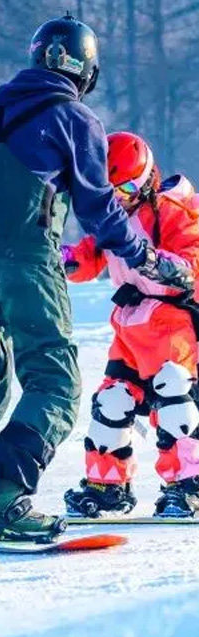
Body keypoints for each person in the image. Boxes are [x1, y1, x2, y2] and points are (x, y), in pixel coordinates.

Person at [0, 13, 182, 542]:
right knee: (55, 383)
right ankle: (3, 498)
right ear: (86, 69)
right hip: (24, 257)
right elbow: (99, 209)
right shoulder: (76, 118)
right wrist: (144, 256)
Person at [63, 132, 199, 518]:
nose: (120, 197)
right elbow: (91, 256)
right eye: (112, 190)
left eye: (126, 187)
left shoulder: (176, 207)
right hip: (130, 327)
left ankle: (188, 484)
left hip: (173, 322)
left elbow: (192, 261)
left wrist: (156, 262)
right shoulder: (113, 218)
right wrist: (66, 259)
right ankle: (107, 486)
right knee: (113, 400)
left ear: (144, 178)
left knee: (174, 396)